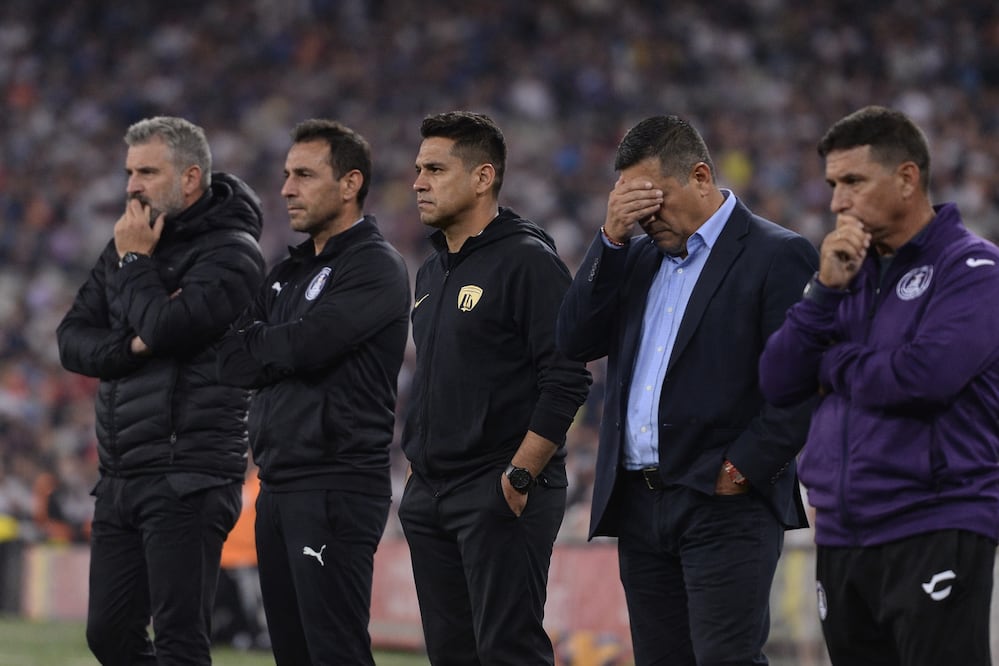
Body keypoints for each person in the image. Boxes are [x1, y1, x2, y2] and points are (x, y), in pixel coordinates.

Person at [556, 115, 819, 666]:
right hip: (640, 502)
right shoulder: (635, 255)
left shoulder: (777, 254)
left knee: (725, 659)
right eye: (632, 203)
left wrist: (741, 469)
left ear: (700, 176)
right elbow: (574, 338)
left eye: (654, 199)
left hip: (724, 503)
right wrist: (609, 239)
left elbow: (802, 385)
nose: (645, 217)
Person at [759, 105, 999, 666]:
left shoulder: (974, 271)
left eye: (853, 181)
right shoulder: (845, 276)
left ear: (907, 179)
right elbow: (777, 379)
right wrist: (822, 291)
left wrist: (833, 365)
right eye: (832, 185)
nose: (837, 201)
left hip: (934, 520)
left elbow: (923, 378)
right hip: (843, 530)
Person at [56, 116, 266, 666]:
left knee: (180, 639)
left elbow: (169, 331)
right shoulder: (130, 240)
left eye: (147, 171)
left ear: (190, 178)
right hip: (121, 472)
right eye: (129, 171)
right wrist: (131, 348)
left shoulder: (233, 253)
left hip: (188, 473)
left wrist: (133, 264)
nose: (131, 185)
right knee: (108, 634)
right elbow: (72, 339)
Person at [398, 111, 591, 665]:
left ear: (483, 177)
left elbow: (568, 376)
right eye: (418, 169)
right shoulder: (432, 272)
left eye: (435, 168)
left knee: (509, 652)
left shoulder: (529, 261)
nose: (418, 181)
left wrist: (521, 472)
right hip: (432, 494)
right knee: (451, 655)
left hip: (498, 489)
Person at [216, 118, 410, 665]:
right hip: (278, 486)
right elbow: (230, 358)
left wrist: (269, 344)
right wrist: (276, 345)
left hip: (335, 485)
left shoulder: (376, 266)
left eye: (304, 174)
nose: (286, 189)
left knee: (335, 653)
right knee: (294, 655)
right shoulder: (285, 274)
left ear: (350, 183)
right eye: (286, 175)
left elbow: (310, 344)